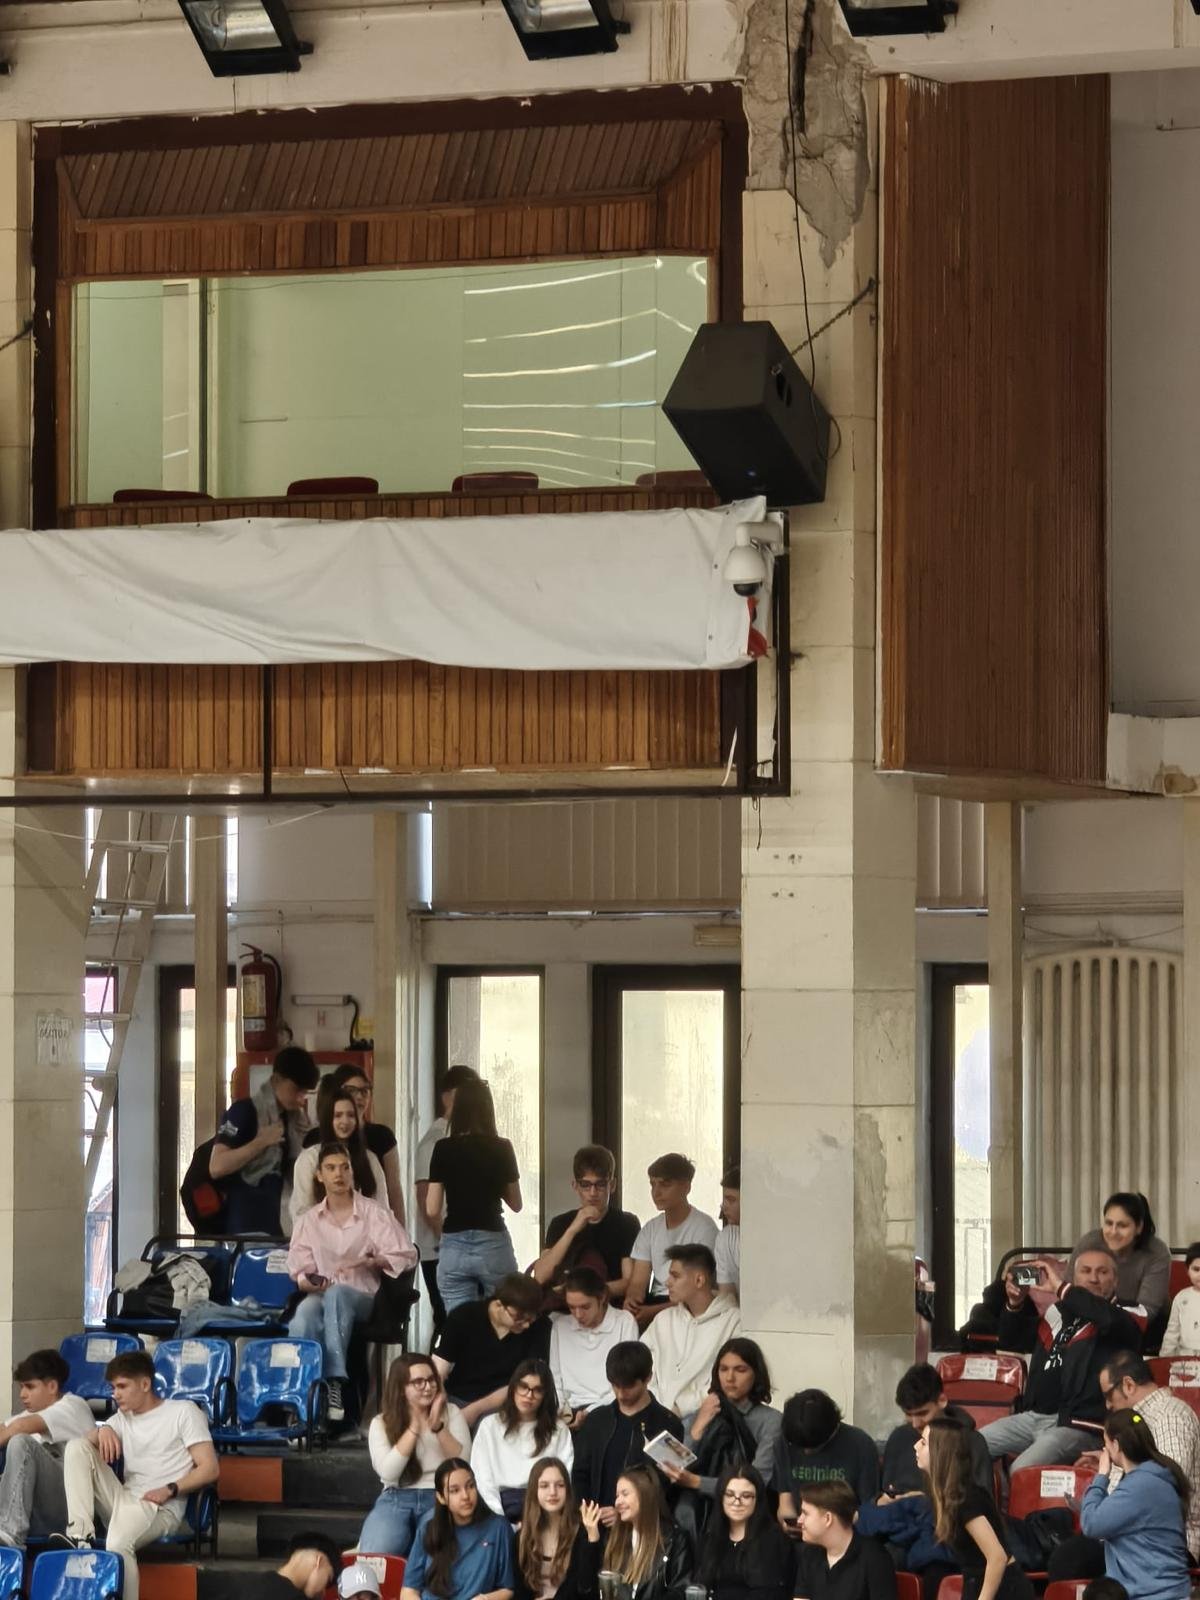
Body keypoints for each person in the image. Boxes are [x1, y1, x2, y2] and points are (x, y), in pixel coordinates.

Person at [53, 1350, 219, 1600]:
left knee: (118, 1545)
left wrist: (170, 1489)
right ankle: (79, 1536)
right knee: (77, 1446)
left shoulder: (183, 1412)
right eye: (112, 1387)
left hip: (160, 1505)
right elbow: (84, 1448)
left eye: (122, 1386)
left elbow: (210, 1468)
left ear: (145, 1384)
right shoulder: (122, 1417)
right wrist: (105, 1428)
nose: (115, 1394)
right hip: (124, 1500)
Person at [287, 1140, 419, 1423]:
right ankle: (301, 1394)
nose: (339, 1174)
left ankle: (335, 1381)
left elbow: (406, 1254)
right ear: (319, 1175)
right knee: (303, 1314)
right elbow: (300, 1271)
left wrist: (373, 1261)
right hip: (323, 1295)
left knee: (339, 1296)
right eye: (331, 1168)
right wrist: (308, 1281)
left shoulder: (373, 1213)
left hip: (363, 1297)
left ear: (352, 1172)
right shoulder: (308, 1221)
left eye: (344, 1168)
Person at [978, 1247, 1146, 1467]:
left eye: (1103, 1272)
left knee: (1022, 1470)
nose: (1094, 1278)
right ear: (1074, 1278)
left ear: (1115, 1280)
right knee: (969, 1447)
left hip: (1081, 1426)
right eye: (1086, 1271)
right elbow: (1012, 1340)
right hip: (1034, 1417)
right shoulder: (1058, 1311)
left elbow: (1105, 1316)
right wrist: (1014, 1303)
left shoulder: (1129, 1311)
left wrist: (1060, 1288)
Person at [359, 1352, 473, 1559]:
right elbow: (388, 1472)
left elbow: (462, 1463)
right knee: (376, 1553)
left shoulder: (452, 1412)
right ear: (401, 1389)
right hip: (396, 1496)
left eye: (431, 1380)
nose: (428, 1387)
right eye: (418, 1382)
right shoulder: (381, 1423)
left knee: (431, 1549)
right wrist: (414, 1427)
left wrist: (437, 1426)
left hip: (439, 1495)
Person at [425, 1078, 523, 1312]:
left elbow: (431, 1208)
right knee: (504, 1318)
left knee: (461, 1324)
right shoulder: (502, 1147)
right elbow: (516, 1204)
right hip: (493, 1244)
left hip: (454, 1246)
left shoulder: (443, 1148)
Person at [656, 1339, 782, 1517]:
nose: (730, 1378)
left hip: (748, 1517)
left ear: (756, 1374)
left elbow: (757, 1482)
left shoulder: (771, 1421)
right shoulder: (701, 1413)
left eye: (740, 1370)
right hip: (697, 1517)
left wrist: (696, 1482)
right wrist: (698, 1427)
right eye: (724, 1369)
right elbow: (672, 1466)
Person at [1080, 1407, 1192, 1600]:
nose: (1104, 1449)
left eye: (1105, 1443)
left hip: (1154, 1594)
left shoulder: (1140, 1486)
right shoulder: (1153, 1478)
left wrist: (1102, 1475)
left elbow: (1091, 1524)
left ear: (1116, 1445)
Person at [918, 1415, 1032, 1600]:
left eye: (923, 1443)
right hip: (976, 1581)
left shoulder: (965, 1499)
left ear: (941, 1452)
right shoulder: (948, 1495)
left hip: (1005, 1589)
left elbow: (997, 1557)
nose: (916, 1447)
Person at [210, 1044, 320, 1235]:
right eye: (296, 1090)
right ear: (277, 1080)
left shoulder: (289, 1119)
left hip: (275, 1224)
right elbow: (217, 1167)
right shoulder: (244, 1111)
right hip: (243, 1226)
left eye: (304, 1093)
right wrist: (261, 1142)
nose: (300, 1099)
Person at [571, 1342, 684, 1520]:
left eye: (629, 1386)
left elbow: (668, 1486)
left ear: (648, 1378)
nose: (621, 1394)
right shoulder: (596, 1421)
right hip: (595, 1526)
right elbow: (580, 1474)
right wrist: (589, 1511)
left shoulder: (668, 1425)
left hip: (643, 1530)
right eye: (615, 1386)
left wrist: (626, 1513)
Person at [0, 1349, 98, 1548]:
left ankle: (10, 1535)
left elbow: (18, 1428)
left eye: (29, 1387)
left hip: (68, 1510)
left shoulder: (73, 1405)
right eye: (21, 1387)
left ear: (52, 1386)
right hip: (34, 1510)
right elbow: (4, 1428)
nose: (22, 1395)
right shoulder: (28, 1414)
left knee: (20, 1442)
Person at [433, 1274, 550, 1430]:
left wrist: (476, 1409)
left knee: (491, 1427)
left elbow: (528, 1379)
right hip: (459, 1395)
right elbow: (440, 1366)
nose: (526, 1325)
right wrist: (436, 1401)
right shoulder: (465, 1316)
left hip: (507, 1399)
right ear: (499, 1304)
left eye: (531, 1318)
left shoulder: (539, 1327)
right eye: (519, 1318)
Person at [639, 1245, 741, 1417]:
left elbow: (730, 1381)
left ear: (699, 1280)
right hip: (655, 1416)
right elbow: (642, 1367)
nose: (667, 1282)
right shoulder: (663, 1320)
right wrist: (657, 1407)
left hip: (706, 1418)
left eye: (675, 1276)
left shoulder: (733, 1321)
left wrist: (681, 1409)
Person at [303, 1062, 407, 1228]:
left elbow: (389, 1196)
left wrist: (400, 1235)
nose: (359, 1097)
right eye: (351, 1090)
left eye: (364, 1091)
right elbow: (302, 1209)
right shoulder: (311, 1152)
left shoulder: (373, 1151)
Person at [416, 1065, 480, 1331]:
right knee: (450, 1323)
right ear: (446, 1097)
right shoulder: (435, 1141)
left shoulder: (471, 1138)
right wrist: (451, 1243)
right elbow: (425, 1200)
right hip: (441, 1249)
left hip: (469, 1247)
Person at [532, 1145, 640, 1302]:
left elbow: (628, 1282)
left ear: (612, 1185)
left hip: (608, 1306)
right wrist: (572, 1230)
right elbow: (540, 1276)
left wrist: (584, 1294)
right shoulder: (560, 1223)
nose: (593, 1193)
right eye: (586, 1185)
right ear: (575, 1186)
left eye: (600, 1184)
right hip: (565, 1310)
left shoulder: (626, 1223)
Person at [473, 1361, 575, 1521]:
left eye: (537, 1390)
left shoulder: (559, 1429)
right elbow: (482, 1480)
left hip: (544, 1509)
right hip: (499, 1509)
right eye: (523, 1386)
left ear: (545, 1395)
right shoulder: (489, 1425)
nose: (529, 1395)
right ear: (513, 1387)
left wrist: (541, 1518)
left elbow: (564, 1477)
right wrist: (500, 1521)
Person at [401, 1458, 515, 1600]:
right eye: (455, 1490)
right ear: (441, 1497)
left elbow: (509, 1589)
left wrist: (485, 1599)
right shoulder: (428, 1529)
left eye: (470, 1486)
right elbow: (409, 1590)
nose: (465, 1496)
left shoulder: (498, 1528)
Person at [625, 1155, 718, 1325]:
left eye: (665, 1184)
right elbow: (638, 1281)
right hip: (655, 1303)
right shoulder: (651, 1228)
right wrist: (632, 1301)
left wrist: (652, 1313)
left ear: (686, 1187)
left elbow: (699, 1290)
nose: (656, 1192)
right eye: (653, 1184)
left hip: (690, 1307)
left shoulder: (704, 1228)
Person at [880, 1364, 991, 1497]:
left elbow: (983, 1506)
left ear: (942, 1401)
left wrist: (919, 1502)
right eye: (908, 1414)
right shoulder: (898, 1438)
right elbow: (886, 1491)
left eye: (922, 1413)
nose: (915, 1424)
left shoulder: (972, 1443)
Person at [774, 1390, 879, 1525]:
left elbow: (869, 1507)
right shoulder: (786, 1442)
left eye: (815, 1447)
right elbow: (785, 1500)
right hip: (801, 1533)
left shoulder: (860, 1445)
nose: (806, 1452)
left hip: (845, 1532)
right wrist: (788, 1523)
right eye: (800, 1447)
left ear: (834, 1429)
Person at [289, 1084, 387, 1229]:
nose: (345, 1122)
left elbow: (382, 1210)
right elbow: (301, 1213)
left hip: (365, 1244)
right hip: (320, 1243)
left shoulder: (369, 1159)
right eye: (338, 1115)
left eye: (351, 1115)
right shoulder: (309, 1159)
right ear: (328, 1119)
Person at [549, 1267, 638, 1425]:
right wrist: (560, 1414)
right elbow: (555, 1379)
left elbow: (625, 1379)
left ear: (602, 1297)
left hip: (610, 1408)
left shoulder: (624, 1322)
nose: (578, 1315)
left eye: (585, 1307)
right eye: (571, 1307)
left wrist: (590, 1412)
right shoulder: (560, 1326)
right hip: (568, 1411)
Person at [697, 1464, 794, 1600]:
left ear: (758, 1500)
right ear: (721, 1497)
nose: (737, 1502)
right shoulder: (710, 1537)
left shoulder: (774, 1539)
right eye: (730, 1495)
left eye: (746, 1496)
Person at [1071, 1192, 1172, 1321]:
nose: (1113, 1232)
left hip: (1145, 1325)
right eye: (1108, 1223)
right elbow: (1069, 1290)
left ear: (1139, 1227)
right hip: (1093, 1319)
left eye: (1122, 1226)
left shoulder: (1157, 1252)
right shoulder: (1089, 1243)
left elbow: (1146, 1312)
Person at [514, 1456, 603, 1600]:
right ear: (534, 1491)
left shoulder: (581, 1532)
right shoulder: (521, 1537)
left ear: (568, 1489)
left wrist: (593, 1537)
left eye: (560, 1485)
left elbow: (586, 1588)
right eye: (544, 1486)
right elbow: (519, 1592)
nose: (553, 1492)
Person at [792, 1479, 896, 1600]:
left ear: (827, 1519)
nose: (799, 1520)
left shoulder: (875, 1558)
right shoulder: (809, 1554)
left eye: (805, 1513)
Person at [602, 1466, 691, 1600]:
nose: (617, 1502)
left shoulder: (675, 1539)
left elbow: (681, 1591)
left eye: (625, 1494)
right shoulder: (616, 1538)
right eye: (617, 1496)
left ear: (645, 1494)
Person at [239, 1531, 344, 1598]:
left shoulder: (244, 1582)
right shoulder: (293, 1597)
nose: (323, 1592)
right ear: (320, 1561)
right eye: (328, 1580)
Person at [1161, 1241, 1200, 1356]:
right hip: (1184, 1358)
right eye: (1196, 1269)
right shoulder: (1181, 1298)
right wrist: (1164, 1359)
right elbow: (1172, 1333)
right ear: (1188, 1270)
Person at [715, 1168, 740, 1300]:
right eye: (724, 1199)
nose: (723, 1206)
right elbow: (727, 1298)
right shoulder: (725, 1238)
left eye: (731, 1200)